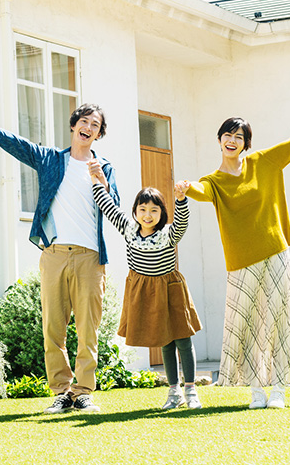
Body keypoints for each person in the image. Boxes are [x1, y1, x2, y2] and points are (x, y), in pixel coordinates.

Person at [0, 95, 119, 413]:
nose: (88, 127)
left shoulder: (104, 168)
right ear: (74, 126)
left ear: (99, 134)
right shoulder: (51, 160)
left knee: (88, 330)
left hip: (90, 256)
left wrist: (101, 180)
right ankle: (61, 392)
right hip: (54, 254)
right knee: (53, 328)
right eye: (83, 121)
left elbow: (115, 206)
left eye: (95, 125)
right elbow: (15, 143)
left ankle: (83, 392)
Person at [183, 111, 290, 410]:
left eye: (238, 137)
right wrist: (186, 187)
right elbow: (201, 191)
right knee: (247, 324)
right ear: (219, 140)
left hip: (275, 251)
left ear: (246, 144)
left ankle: (278, 389)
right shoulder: (214, 181)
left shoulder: (263, 162)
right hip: (241, 261)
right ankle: (256, 390)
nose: (232, 140)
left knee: (280, 320)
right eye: (227, 135)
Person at [88, 163, 203, 410]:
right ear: (135, 212)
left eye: (154, 210)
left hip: (170, 289)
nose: (147, 215)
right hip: (145, 290)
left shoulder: (168, 234)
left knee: (183, 339)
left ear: (162, 213)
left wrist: (181, 199)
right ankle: (174, 392)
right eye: (142, 209)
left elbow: (181, 224)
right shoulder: (129, 230)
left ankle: (191, 390)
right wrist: (97, 181)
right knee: (165, 341)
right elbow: (108, 207)